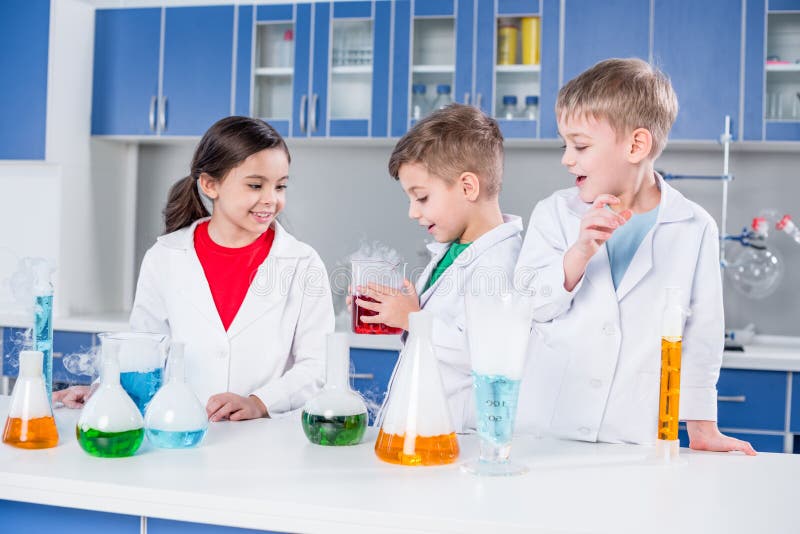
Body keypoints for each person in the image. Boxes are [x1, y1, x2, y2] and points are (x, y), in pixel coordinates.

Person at [515, 58, 756, 454]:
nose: (566, 159)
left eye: (580, 145)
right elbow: (527, 306)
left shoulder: (693, 227)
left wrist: (703, 428)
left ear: (635, 145)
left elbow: (702, 337)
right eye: (565, 145)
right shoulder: (554, 214)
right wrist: (577, 254)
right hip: (546, 431)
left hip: (633, 432)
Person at [54, 116, 334, 422]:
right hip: (180, 429)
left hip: (266, 439)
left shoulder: (302, 263)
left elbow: (318, 364)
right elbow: (144, 349)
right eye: (256, 185)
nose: (271, 199)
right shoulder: (165, 256)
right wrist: (103, 389)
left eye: (280, 186)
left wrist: (259, 402)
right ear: (209, 184)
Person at [354, 104, 523, 432]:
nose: (412, 213)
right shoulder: (454, 250)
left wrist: (412, 319)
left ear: (467, 187)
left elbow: (487, 355)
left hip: (458, 435)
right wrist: (393, 315)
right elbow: (437, 332)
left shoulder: (500, 262)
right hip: (423, 429)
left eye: (421, 197)